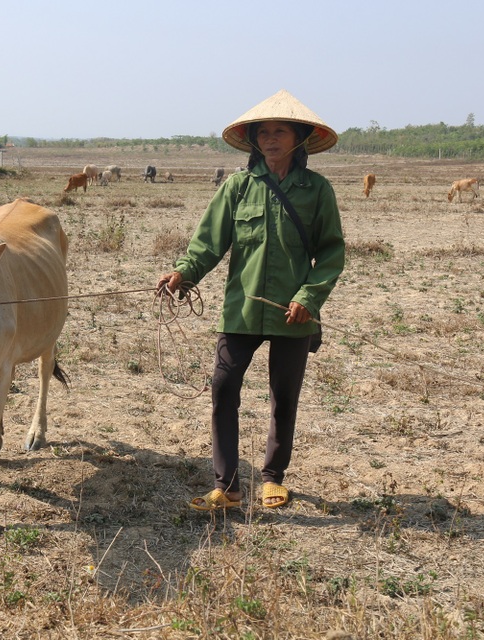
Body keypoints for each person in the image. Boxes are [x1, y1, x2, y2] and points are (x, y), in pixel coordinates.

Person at [157, 89, 345, 510]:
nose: (270, 139)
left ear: (298, 138)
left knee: (284, 395)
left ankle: (273, 477)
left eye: (280, 131)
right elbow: (208, 243)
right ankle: (227, 487)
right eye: (263, 132)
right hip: (240, 309)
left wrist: (308, 298)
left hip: (292, 316)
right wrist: (183, 272)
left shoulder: (317, 191)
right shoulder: (237, 188)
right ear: (254, 140)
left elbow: (332, 253)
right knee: (223, 390)